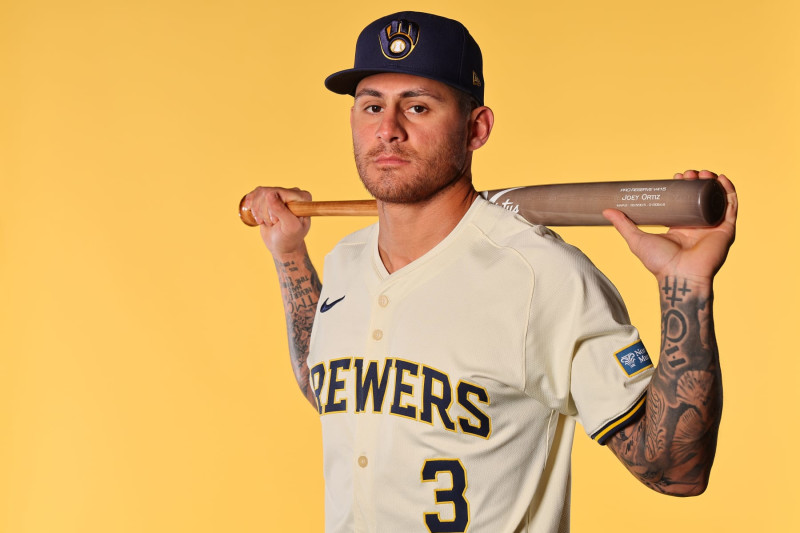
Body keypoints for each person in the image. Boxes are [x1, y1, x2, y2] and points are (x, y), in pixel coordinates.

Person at [241, 11, 737, 533]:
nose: (388, 130)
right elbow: (328, 390)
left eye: (417, 106)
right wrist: (290, 255)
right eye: (372, 106)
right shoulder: (344, 259)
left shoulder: (542, 276)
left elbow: (676, 471)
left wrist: (686, 288)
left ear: (476, 128)